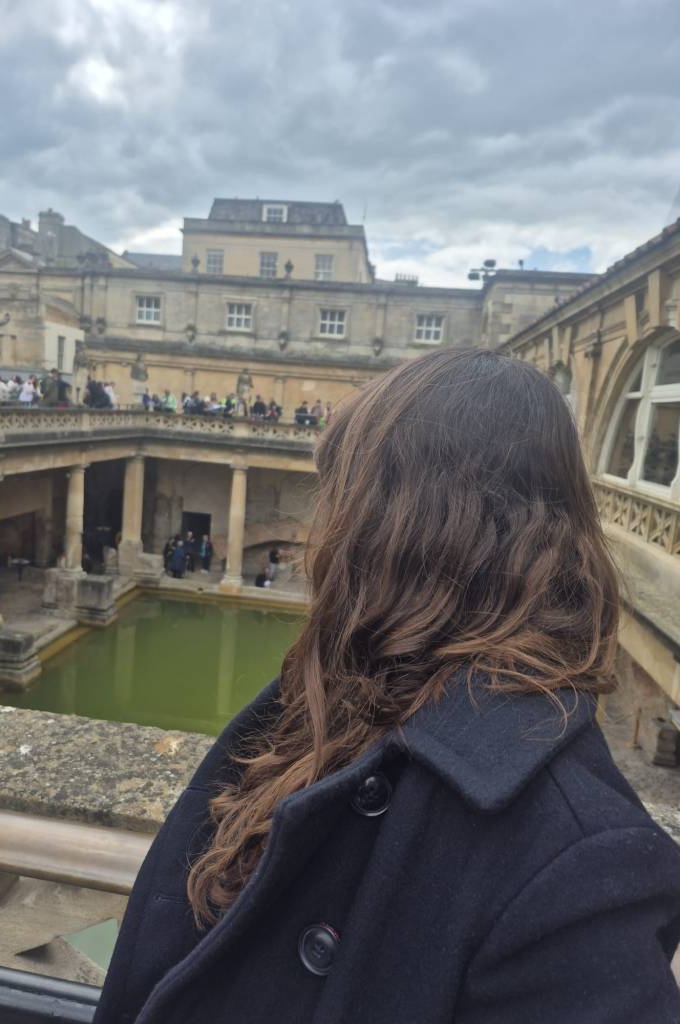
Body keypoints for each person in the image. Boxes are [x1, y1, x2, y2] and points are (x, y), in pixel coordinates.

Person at [94, 349, 680, 1024]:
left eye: (339, 499)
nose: (321, 537)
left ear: (397, 532)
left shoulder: (582, 868)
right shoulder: (332, 700)